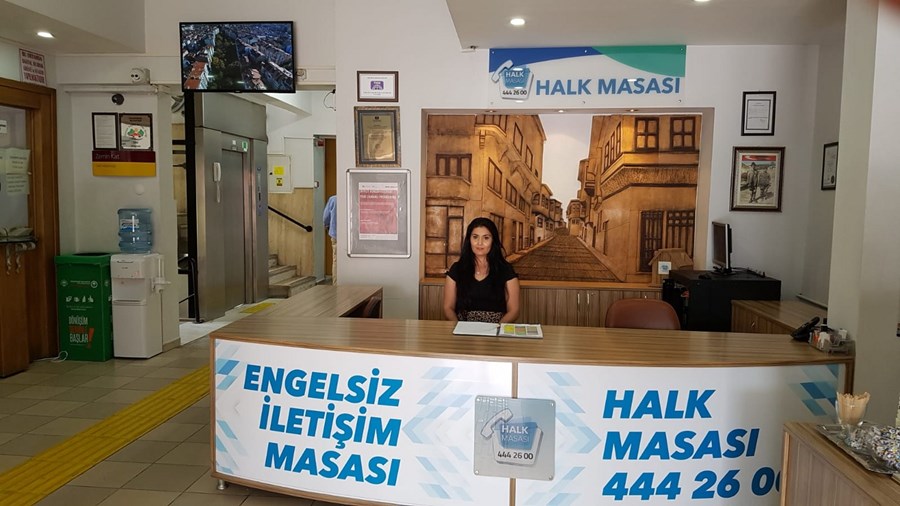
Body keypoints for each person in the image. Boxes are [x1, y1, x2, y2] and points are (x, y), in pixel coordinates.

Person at [443, 217, 520, 323]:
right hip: (463, 328)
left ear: (493, 241)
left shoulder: (505, 269)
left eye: (486, 238)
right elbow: (448, 308)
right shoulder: (457, 269)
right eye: (475, 237)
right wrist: (459, 328)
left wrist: (496, 329)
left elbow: (514, 311)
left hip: (496, 328)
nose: (480, 243)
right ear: (469, 240)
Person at [323, 195, 337, 285]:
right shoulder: (354, 196)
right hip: (353, 237)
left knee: (336, 260)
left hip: (336, 234)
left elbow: (326, 218)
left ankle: (336, 284)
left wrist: (327, 226)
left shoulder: (333, 199)